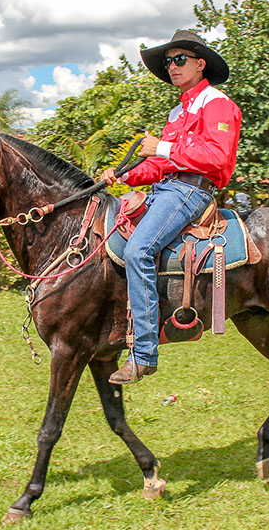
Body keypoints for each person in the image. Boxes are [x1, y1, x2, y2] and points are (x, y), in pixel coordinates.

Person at [100, 30, 241, 384]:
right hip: (167, 188)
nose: (172, 67)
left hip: (192, 192)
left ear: (200, 63)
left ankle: (144, 354)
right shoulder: (178, 110)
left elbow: (217, 157)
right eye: (168, 62)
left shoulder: (217, 103)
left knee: (138, 250)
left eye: (179, 60)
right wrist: (124, 175)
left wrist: (161, 148)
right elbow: (161, 166)